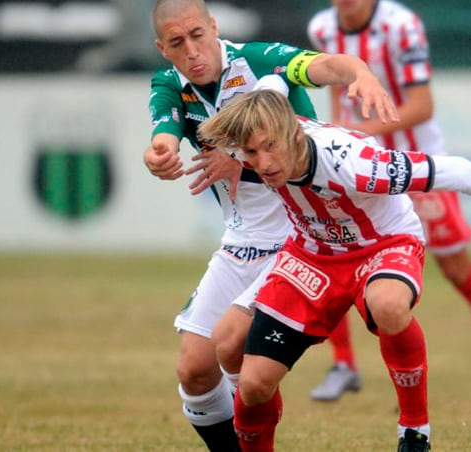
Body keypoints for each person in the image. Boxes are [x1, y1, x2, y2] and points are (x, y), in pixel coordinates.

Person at [200, 89, 471, 451]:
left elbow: (456, 170)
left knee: (388, 305)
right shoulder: (259, 140)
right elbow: (268, 88)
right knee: (245, 372)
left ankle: (414, 428)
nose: (264, 163)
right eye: (252, 152)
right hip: (312, 252)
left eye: (270, 147)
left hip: (383, 244)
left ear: (292, 132)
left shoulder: (356, 164)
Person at [144, 0, 398, 450]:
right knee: (194, 369)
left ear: (213, 27)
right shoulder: (168, 84)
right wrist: (159, 154)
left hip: (299, 236)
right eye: (178, 44)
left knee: (238, 349)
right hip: (240, 241)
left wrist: (360, 73)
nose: (193, 51)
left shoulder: (259, 61)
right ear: (163, 48)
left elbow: (323, 65)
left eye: (198, 36)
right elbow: (163, 133)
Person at [307, 0, 471, 402]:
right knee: (331, 251)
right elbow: (337, 101)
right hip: (356, 169)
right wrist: (338, 138)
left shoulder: (401, 25)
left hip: (415, 167)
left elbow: (421, 106)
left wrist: (357, 132)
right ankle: (344, 363)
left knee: (456, 267)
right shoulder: (322, 28)